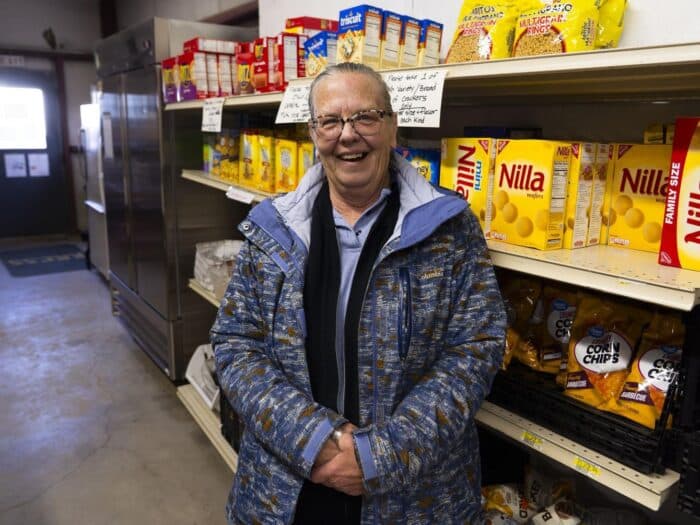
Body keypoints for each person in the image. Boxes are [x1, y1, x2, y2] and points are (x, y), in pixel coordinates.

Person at [210, 62, 506, 524]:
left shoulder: (450, 228)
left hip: (413, 494)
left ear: (392, 127)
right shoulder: (273, 229)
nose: (348, 135)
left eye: (365, 117)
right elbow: (235, 343)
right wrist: (311, 440)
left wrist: (378, 455)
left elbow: (475, 349)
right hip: (288, 487)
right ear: (313, 132)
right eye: (330, 121)